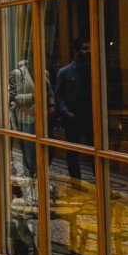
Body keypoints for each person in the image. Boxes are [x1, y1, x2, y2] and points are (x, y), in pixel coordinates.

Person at [55, 39, 92, 179]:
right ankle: (75, 182)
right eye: (85, 48)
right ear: (76, 51)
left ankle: (101, 184)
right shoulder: (64, 72)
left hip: (90, 116)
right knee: (72, 152)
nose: (88, 51)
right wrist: (65, 112)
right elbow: (58, 94)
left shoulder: (93, 70)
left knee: (96, 150)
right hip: (73, 117)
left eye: (90, 48)